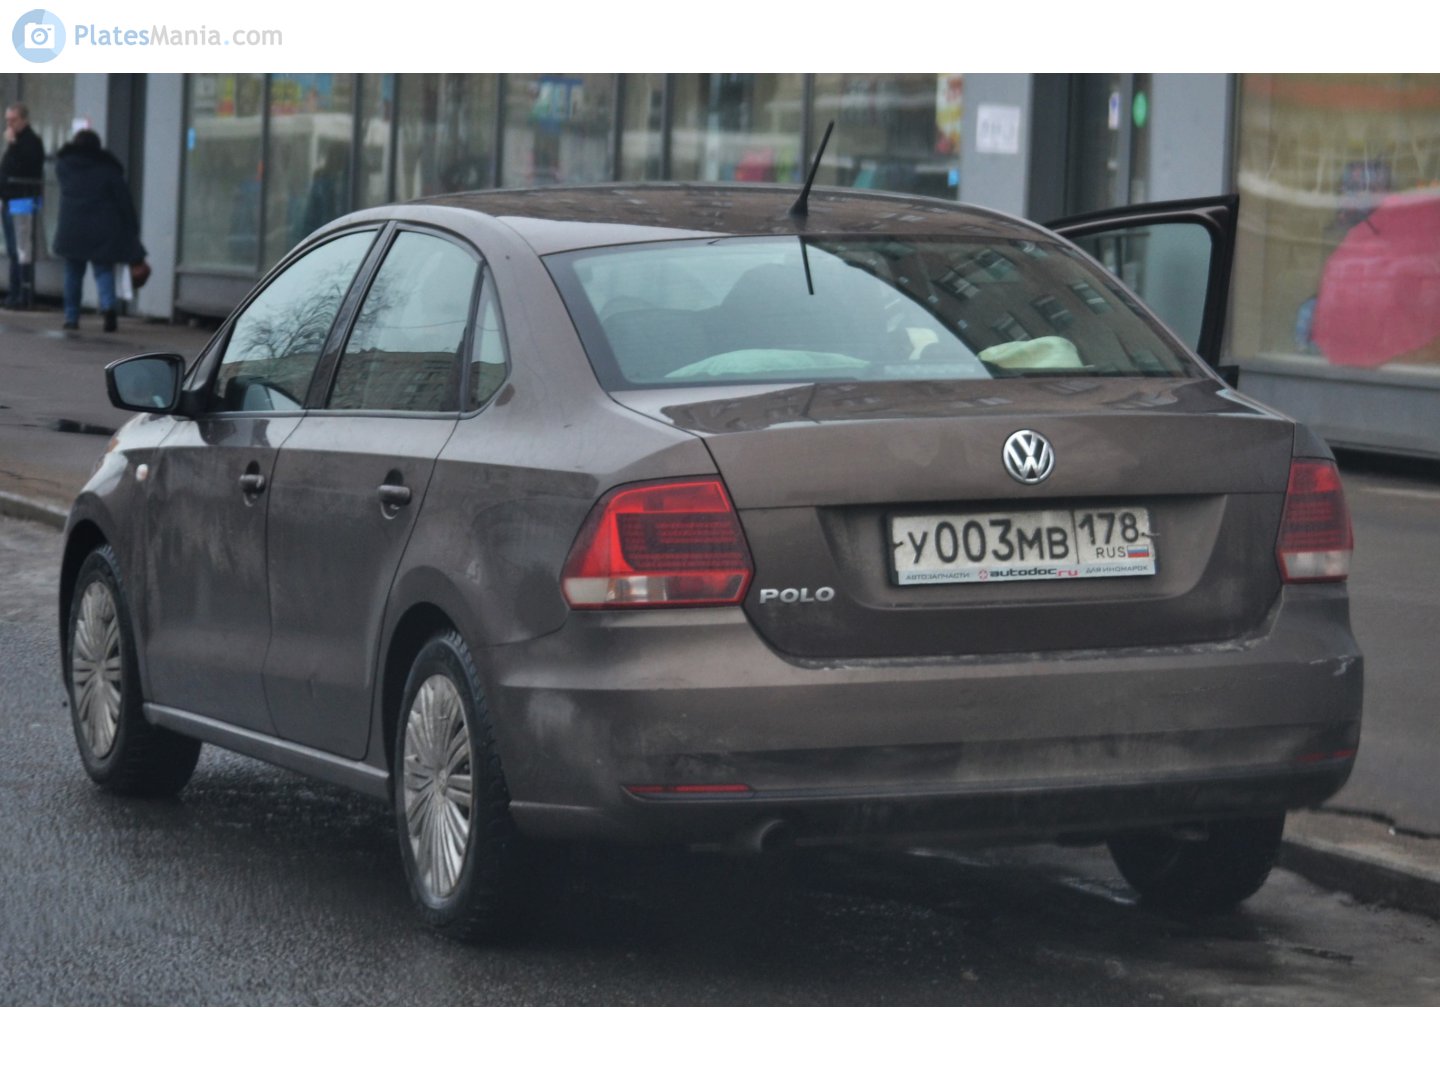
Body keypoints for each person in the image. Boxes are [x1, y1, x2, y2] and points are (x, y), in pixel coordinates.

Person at [53, 128, 145, 332]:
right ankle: (109, 309)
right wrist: (133, 226)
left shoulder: (64, 166)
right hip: (102, 229)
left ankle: (71, 317)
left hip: (72, 228)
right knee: (103, 271)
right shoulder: (108, 168)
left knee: (73, 273)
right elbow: (124, 200)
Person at [2, 102, 45, 309]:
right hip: (11, 199)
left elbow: (25, 167)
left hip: (23, 199)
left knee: (22, 248)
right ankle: (15, 291)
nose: (9, 125)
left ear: (23, 120)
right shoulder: (16, 142)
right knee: (13, 248)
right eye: (7, 120)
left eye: (13, 120)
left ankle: (23, 292)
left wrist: (13, 145)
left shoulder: (30, 142)